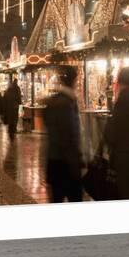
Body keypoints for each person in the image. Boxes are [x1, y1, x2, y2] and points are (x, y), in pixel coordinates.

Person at [44, 66, 83, 202]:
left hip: (55, 162)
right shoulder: (65, 103)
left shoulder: (59, 101)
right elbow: (68, 136)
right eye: (77, 80)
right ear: (73, 81)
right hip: (65, 164)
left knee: (57, 198)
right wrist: (76, 162)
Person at [104, 66, 129, 200]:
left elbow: (112, 132)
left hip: (125, 157)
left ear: (120, 82)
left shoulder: (123, 100)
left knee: (127, 193)